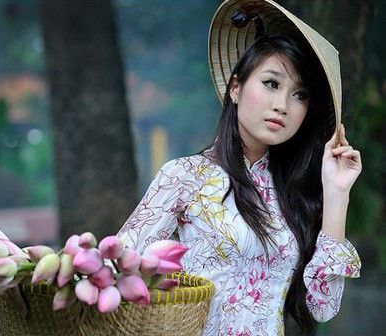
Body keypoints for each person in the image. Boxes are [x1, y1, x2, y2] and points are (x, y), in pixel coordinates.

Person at [117, 0, 362, 335]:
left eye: (300, 95)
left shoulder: (291, 192)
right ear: (236, 88)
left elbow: (323, 307)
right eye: (272, 83)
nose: (282, 105)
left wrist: (336, 193)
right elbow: (118, 267)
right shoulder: (186, 176)